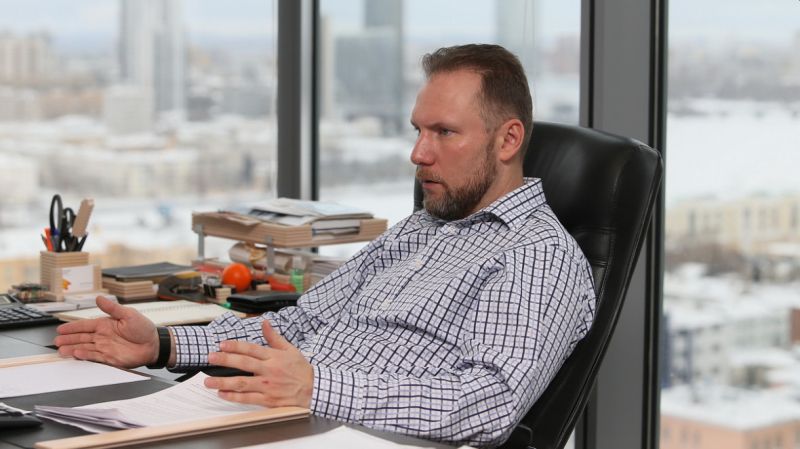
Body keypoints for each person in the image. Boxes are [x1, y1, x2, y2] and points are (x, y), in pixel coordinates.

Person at [55, 44, 596, 448]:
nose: (418, 153)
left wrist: (315, 387)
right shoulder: (419, 229)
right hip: (279, 417)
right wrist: (164, 345)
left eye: (444, 132)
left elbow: (489, 402)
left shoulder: (536, 254)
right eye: (417, 131)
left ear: (508, 139)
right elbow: (300, 324)